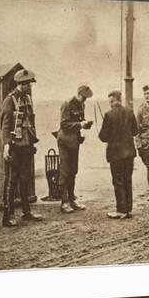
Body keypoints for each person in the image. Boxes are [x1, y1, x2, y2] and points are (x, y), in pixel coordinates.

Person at [1, 68, 43, 227]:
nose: (29, 87)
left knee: (25, 178)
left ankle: (26, 212)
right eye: (27, 84)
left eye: (30, 84)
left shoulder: (28, 99)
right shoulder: (10, 100)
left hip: (26, 145)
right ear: (20, 84)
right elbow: (5, 125)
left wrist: (33, 142)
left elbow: (31, 122)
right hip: (14, 146)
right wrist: (6, 146)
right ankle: (8, 215)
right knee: (12, 180)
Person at [98, 90, 138, 219]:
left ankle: (121, 210)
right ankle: (128, 210)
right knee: (127, 180)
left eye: (110, 101)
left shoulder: (108, 115)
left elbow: (103, 137)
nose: (110, 104)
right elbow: (135, 132)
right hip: (129, 153)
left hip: (116, 155)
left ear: (113, 100)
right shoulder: (130, 112)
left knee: (118, 181)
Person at [57, 84, 94, 213]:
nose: (85, 100)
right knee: (64, 171)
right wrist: (79, 124)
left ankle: (72, 200)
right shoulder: (67, 104)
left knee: (73, 170)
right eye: (84, 98)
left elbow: (80, 120)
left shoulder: (81, 105)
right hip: (65, 141)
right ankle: (64, 202)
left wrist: (85, 124)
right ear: (78, 94)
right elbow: (64, 124)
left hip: (74, 142)